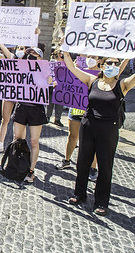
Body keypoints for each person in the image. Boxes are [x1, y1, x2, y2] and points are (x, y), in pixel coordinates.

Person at [66, 53, 133, 216]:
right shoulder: (92, 80)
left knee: (105, 166)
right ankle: (79, 194)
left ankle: (101, 201)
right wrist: (66, 50)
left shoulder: (122, 85)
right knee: (83, 161)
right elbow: (72, 68)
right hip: (88, 125)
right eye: (110, 62)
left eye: (116, 64)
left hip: (109, 129)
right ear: (102, 65)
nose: (113, 66)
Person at [55, 54, 101, 182]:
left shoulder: (102, 75)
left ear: (99, 60)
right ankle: (67, 160)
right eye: (89, 56)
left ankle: (93, 167)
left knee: (93, 142)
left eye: (93, 56)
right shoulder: (79, 69)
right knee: (72, 136)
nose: (90, 58)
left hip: (92, 112)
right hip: (76, 109)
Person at [11, 47, 48, 183]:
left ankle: (31, 170)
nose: (31, 56)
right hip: (22, 106)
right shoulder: (22, 68)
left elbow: (49, 83)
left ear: (40, 57)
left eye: (34, 54)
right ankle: (16, 165)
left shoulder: (45, 69)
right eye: (29, 54)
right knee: (17, 138)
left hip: (36, 109)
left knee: (33, 141)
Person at [46, 49, 65, 127]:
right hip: (52, 85)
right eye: (61, 52)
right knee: (50, 102)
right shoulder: (52, 62)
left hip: (62, 86)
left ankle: (57, 119)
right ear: (57, 53)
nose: (62, 54)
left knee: (60, 103)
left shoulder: (67, 63)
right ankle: (47, 117)